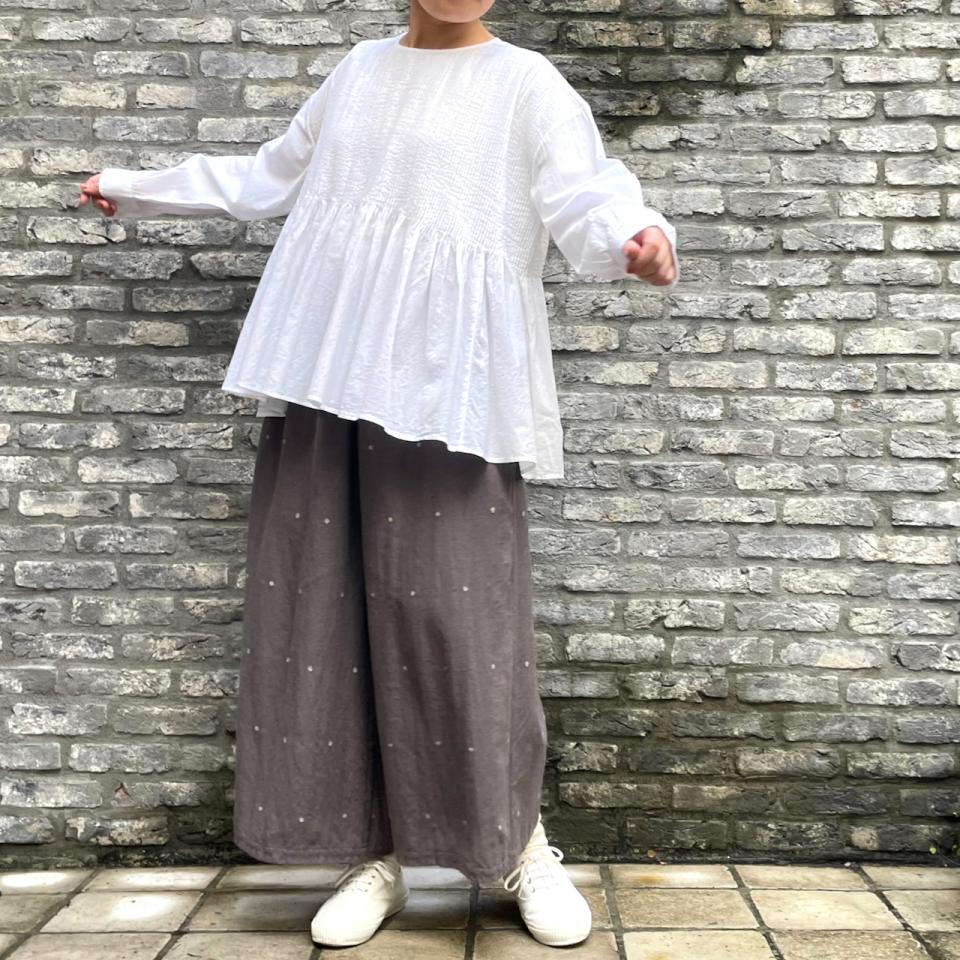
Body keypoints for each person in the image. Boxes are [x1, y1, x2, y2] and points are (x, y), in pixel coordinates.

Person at [79, 0, 678, 950]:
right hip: (330, 369)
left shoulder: (527, 85)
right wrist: (135, 189)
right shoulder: (357, 71)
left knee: (461, 618)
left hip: (452, 390)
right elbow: (269, 175)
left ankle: (517, 845)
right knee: (327, 613)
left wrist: (635, 235)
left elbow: (586, 194)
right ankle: (377, 855)